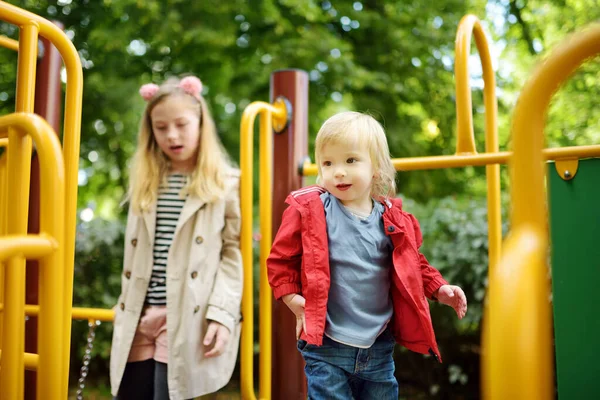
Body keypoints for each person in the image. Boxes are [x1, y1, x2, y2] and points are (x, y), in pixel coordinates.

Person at [267, 111, 468, 399]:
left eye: (350, 160)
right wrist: (292, 299)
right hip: (327, 345)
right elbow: (280, 260)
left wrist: (439, 288)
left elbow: (412, 264)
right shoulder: (310, 210)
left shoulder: (392, 219)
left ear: (376, 167)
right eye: (328, 162)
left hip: (378, 347)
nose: (338, 171)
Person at [110, 76, 243, 400]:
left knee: (167, 393)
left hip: (184, 316)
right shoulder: (146, 181)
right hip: (139, 314)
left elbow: (231, 253)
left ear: (201, 122)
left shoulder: (224, 184)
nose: (171, 135)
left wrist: (222, 315)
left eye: (182, 124)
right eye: (161, 127)